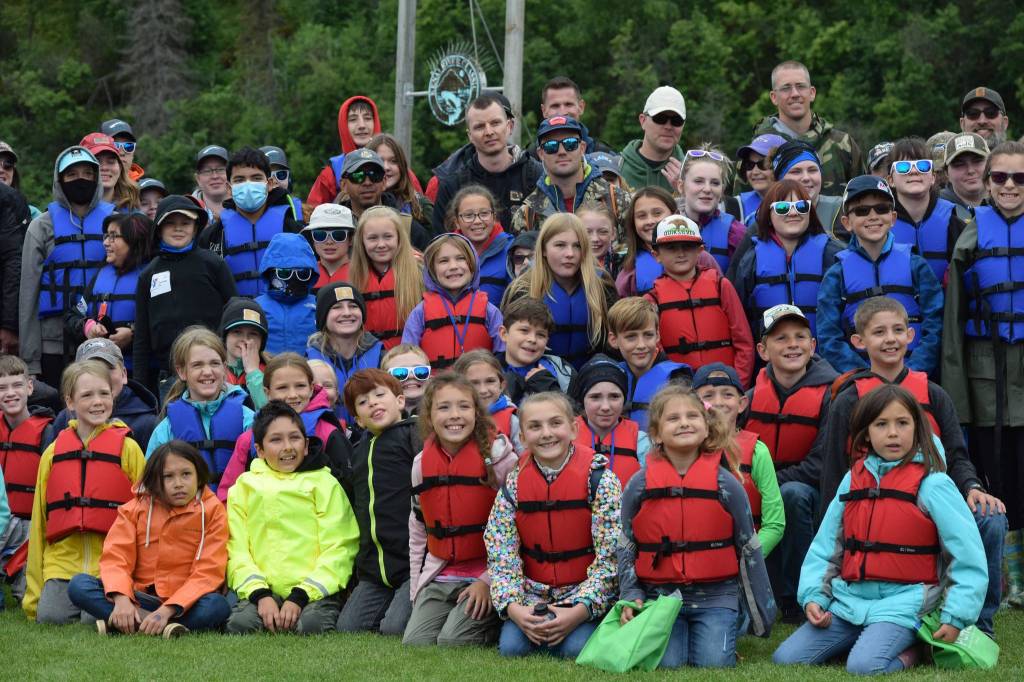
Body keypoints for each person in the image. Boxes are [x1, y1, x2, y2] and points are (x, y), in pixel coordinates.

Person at [773, 385, 986, 675]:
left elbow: (967, 556)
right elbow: (825, 546)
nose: (893, 433)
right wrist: (814, 596)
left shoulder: (934, 485)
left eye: (902, 423)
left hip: (907, 603)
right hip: (850, 601)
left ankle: (916, 649)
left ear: (917, 427)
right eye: (881, 424)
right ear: (866, 433)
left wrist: (955, 615)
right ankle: (866, 638)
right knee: (786, 659)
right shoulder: (852, 480)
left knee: (864, 666)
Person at [824, 297, 1006, 635]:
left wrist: (973, 488)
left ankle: (978, 623)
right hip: (876, 507)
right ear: (859, 342)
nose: (890, 339)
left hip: (931, 501)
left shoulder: (934, 394)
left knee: (991, 518)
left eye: (897, 330)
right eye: (879, 332)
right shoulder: (848, 398)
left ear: (911, 335)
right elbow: (835, 469)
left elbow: (956, 455)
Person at [618, 385, 774, 668]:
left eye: (692, 416)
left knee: (714, 663)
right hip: (662, 596)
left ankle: (728, 625)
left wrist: (761, 613)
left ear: (706, 429)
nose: (684, 423)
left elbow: (748, 546)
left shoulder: (726, 484)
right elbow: (626, 543)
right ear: (655, 434)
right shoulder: (639, 484)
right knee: (668, 665)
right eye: (673, 418)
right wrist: (631, 594)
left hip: (717, 596)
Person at [942, 141, 1024, 610]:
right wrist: (959, 396)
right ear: (988, 182)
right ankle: (1011, 580)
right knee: (999, 475)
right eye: (1000, 178)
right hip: (985, 378)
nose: (1009, 186)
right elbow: (954, 326)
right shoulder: (970, 240)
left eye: (1019, 178)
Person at [485, 391, 621, 658]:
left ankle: (586, 622)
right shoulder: (514, 485)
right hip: (532, 594)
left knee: (573, 649)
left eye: (555, 423)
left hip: (584, 592)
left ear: (573, 429)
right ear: (522, 438)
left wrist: (580, 610)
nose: (546, 433)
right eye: (535, 426)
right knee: (512, 649)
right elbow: (501, 553)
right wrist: (515, 608)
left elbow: (611, 558)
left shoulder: (600, 481)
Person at [23, 360, 145, 623]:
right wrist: (33, 597)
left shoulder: (129, 449)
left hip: (111, 564)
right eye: (87, 395)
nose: (97, 401)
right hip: (62, 564)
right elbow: (39, 525)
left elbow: (147, 516)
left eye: (103, 393)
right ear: (70, 402)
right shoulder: (53, 454)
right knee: (50, 617)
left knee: (93, 619)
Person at [67, 441, 231, 636]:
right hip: (139, 597)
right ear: (155, 480)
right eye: (168, 477)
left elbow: (208, 571)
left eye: (186, 474)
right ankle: (160, 627)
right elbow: (116, 558)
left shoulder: (213, 511)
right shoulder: (135, 508)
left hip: (184, 604)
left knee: (217, 605)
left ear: (198, 475)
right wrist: (122, 600)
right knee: (79, 585)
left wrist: (166, 610)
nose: (178, 483)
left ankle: (131, 624)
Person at [226, 401, 359, 634]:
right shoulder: (244, 487)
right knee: (241, 625)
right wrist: (260, 594)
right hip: (264, 589)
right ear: (260, 449)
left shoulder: (325, 483)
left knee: (311, 626)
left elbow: (341, 545)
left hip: (312, 590)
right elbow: (236, 548)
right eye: (276, 440)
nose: (287, 447)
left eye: (294, 438)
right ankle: (267, 608)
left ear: (306, 445)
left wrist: (301, 595)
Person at [403, 373, 516, 646]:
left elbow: (520, 527)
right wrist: (417, 586)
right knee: (415, 642)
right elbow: (418, 528)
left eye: (464, 407)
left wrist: (489, 581)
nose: (455, 415)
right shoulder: (421, 464)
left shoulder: (501, 459)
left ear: (477, 413)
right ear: (428, 417)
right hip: (441, 573)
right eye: (444, 407)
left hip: (488, 574)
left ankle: (497, 621)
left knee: (452, 641)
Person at [742, 304, 838, 621]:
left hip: (813, 497)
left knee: (792, 494)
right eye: (781, 338)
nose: (792, 344)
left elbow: (821, 465)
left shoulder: (834, 394)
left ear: (813, 346)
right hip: (762, 491)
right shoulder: (750, 397)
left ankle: (800, 596)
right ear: (763, 350)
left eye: (800, 337)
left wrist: (766, 484)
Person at [816, 176, 942, 375]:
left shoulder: (916, 265)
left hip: (913, 376)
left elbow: (935, 324)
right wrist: (863, 375)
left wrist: (913, 371)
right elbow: (829, 336)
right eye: (862, 211)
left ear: (893, 218)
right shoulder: (836, 274)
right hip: (860, 382)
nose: (873, 216)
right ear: (847, 222)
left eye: (881, 209)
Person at [19, 146, 113, 387]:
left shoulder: (116, 222)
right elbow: (28, 295)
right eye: (71, 175)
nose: (80, 180)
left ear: (96, 178)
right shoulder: (41, 227)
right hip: (53, 342)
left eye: (87, 173)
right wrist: (30, 362)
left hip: (105, 337)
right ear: (59, 180)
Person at [336, 369, 420, 635]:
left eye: (379, 394)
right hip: (374, 569)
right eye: (362, 402)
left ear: (400, 401)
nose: (372, 402)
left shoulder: (413, 435)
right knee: (349, 628)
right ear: (358, 420)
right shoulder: (359, 450)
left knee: (394, 629)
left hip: (411, 564)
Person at [132, 195, 237, 395]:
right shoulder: (148, 274)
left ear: (196, 227)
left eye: (185, 223)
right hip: (169, 376)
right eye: (170, 223)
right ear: (159, 228)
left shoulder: (214, 264)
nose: (178, 228)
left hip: (214, 371)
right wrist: (140, 386)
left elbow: (233, 313)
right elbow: (142, 337)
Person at [216, 352, 353, 503]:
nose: (292, 395)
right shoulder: (249, 439)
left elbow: (349, 489)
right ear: (267, 393)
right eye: (282, 388)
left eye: (300, 386)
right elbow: (228, 495)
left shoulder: (328, 433)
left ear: (311, 388)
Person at [644, 215, 754, 386]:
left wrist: (737, 386)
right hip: (679, 391)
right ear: (656, 255)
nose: (680, 253)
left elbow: (744, 342)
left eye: (688, 247)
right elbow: (654, 352)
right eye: (671, 248)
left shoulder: (721, 286)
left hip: (724, 386)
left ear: (700, 250)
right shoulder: (652, 299)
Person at [145, 328, 254, 495]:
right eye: (197, 365)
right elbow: (150, 484)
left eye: (214, 363)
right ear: (182, 372)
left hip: (239, 513)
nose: (207, 372)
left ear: (224, 368)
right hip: (188, 515)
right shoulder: (166, 429)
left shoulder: (248, 419)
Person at [730, 179, 842, 338]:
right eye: (782, 207)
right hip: (769, 358)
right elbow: (739, 318)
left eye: (801, 206)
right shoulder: (751, 259)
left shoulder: (832, 255)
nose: (793, 212)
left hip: (824, 358)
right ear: (768, 214)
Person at [503, 214, 615, 370]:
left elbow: (615, 345)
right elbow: (510, 349)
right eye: (560, 245)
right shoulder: (522, 289)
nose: (570, 253)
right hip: (539, 381)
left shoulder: (602, 286)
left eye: (577, 246)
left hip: (590, 381)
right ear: (543, 250)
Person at [693, 363, 784, 554]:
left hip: (745, 558)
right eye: (708, 395)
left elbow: (774, 524)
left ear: (742, 404)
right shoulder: (683, 448)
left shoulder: (758, 451)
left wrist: (745, 558)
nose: (718, 402)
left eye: (727, 394)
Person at [199, 146, 303, 297]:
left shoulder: (293, 230)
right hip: (235, 316)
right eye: (239, 179)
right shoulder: (212, 236)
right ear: (229, 187)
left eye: (256, 178)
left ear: (269, 184)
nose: (248, 185)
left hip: (280, 315)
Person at [432, 94, 543, 232]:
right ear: (470, 136)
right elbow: (441, 244)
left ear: (510, 126)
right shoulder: (452, 187)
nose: (489, 132)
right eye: (479, 127)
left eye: (495, 123)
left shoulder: (537, 177)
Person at [753, 60, 862, 195]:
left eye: (801, 86)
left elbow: (863, 198)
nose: (795, 94)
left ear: (812, 93)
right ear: (774, 97)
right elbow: (743, 206)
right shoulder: (758, 149)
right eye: (786, 88)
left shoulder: (842, 144)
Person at [510, 115, 630, 235]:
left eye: (570, 144)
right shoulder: (527, 215)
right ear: (541, 154)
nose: (562, 152)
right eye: (551, 146)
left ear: (582, 148)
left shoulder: (617, 200)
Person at [63, 212, 152, 370]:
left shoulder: (153, 275)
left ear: (134, 240)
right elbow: (72, 317)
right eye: (106, 236)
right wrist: (88, 327)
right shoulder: (100, 275)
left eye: (113, 236)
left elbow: (164, 324)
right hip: (100, 370)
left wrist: (133, 333)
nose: (105, 242)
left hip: (142, 371)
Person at [401, 233, 503, 369]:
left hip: (478, 387)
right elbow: (406, 356)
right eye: (443, 261)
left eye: (461, 259)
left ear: (473, 265)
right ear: (431, 269)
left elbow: (503, 352)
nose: (453, 266)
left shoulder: (490, 311)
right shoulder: (420, 313)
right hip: (434, 387)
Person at [0, 355, 54, 603]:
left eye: (17, 385)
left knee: (28, 597)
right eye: (2, 388)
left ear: (29, 387)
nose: (10, 393)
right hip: (1, 522)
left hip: (29, 527)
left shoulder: (46, 431)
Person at [49, 339, 159, 452]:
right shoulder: (64, 419)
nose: (102, 376)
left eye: (109, 368)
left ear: (124, 374)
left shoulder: (148, 424)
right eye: (92, 369)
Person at [606, 296, 692, 431]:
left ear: (657, 335)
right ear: (613, 340)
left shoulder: (677, 379)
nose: (641, 345)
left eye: (648, 335)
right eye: (631, 337)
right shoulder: (610, 377)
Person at [887, 137, 965, 283]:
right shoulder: (880, 224)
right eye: (903, 167)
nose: (914, 171)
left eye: (923, 166)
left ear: (933, 177)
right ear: (890, 180)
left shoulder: (953, 224)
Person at [306, 282, 383, 425]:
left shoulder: (381, 355)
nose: (347, 313)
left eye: (353, 306)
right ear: (323, 316)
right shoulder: (307, 361)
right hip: (328, 439)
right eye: (336, 307)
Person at [348, 206, 424, 351]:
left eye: (388, 237)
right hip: (367, 356)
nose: (381, 244)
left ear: (399, 238)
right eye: (372, 238)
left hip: (408, 357)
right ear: (361, 242)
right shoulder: (352, 276)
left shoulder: (420, 271)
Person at [570, 355, 650, 488]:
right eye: (595, 397)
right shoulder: (565, 438)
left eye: (614, 397)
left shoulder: (641, 442)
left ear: (624, 399)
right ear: (582, 400)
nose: (605, 407)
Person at [334, 149, 430, 251]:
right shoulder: (332, 228)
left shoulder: (407, 227)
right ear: (343, 185)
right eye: (358, 176)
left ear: (384, 182)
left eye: (375, 175)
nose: (367, 182)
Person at [674, 146, 746, 272]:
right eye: (698, 181)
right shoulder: (663, 227)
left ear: (722, 190)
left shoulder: (736, 233)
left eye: (715, 183)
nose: (707, 189)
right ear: (681, 186)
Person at [307, 96, 387, 208]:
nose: (362, 126)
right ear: (343, 125)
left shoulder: (393, 165)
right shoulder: (331, 173)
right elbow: (311, 213)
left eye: (368, 118)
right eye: (353, 120)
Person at [495, 297, 575, 404]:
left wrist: (549, 388)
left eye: (541, 335)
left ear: (547, 340)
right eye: (524, 330)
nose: (532, 339)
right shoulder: (487, 371)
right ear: (504, 334)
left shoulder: (563, 372)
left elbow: (576, 415)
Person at [252, 233, 317, 355]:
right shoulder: (256, 307)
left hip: (309, 371)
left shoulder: (318, 306)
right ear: (269, 272)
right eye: (284, 273)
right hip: (267, 371)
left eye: (302, 274)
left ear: (311, 274)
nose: (293, 279)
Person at [448, 185, 512, 304]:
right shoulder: (443, 253)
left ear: (494, 217)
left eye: (484, 214)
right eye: (468, 215)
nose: (477, 221)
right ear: (457, 222)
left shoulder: (512, 250)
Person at [526, 76, 615, 160]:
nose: (562, 112)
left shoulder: (605, 156)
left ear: (581, 107)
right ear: (544, 110)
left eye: (568, 104)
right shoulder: (529, 158)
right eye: (555, 106)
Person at [619, 85, 686, 193]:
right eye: (660, 118)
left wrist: (685, 190)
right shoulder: (616, 169)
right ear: (643, 121)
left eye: (676, 121)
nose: (668, 126)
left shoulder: (693, 175)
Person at [452, 350, 522, 452]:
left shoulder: (513, 421)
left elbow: (525, 458)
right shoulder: (450, 419)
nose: (483, 390)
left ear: (501, 386)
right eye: (473, 383)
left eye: (490, 381)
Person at [367, 133, 434, 231]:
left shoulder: (421, 207)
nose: (386, 167)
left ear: (402, 166)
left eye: (393, 161)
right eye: (379, 161)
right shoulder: (352, 203)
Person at [0, 169, 30, 357]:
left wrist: (9, 325)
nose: (3, 168)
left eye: (8, 164)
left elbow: (14, 261)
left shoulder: (9, 200)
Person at [218, 297, 269, 408]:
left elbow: (271, 413)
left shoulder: (273, 371)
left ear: (262, 341)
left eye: (253, 334)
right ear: (225, 337)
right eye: (237, 332)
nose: (245, 339)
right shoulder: (211, 369)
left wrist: (253, 372)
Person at [733, 134, 787, 225]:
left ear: (783, 166)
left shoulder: (801, 205)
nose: (755, 172)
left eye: (763, 164)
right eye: (749, 164)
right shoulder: (737, 205)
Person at [80, 133, 139, 213]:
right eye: (97, 161)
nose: (104, 168)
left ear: (120, 168)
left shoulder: (134, 217)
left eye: (111, 162)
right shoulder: (65, 213)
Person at [306, 204, 355, 292]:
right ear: (313, 239)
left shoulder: (363, 274)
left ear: (350, 239)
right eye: (320, 235)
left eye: (338, 235)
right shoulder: (304, 276)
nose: (329, 242)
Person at [940, 132, 990, 216]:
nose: (970, 170)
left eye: (977, 161)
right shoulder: (933, 209)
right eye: (959, 165)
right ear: (946, 173)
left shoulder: (1009, 203)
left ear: (990, 164)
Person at [381, 344, 431, 419]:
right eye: (399, 373)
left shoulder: (443, 415)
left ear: (430, 377)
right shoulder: (380, 419)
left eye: (420, 371)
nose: (411, 376)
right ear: (385, 381)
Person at [260, 145, 304, 223]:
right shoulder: (244, 213)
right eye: (268, 174)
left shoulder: (305, 213)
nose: (274, 181)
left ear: (289, 179)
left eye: (281, 174)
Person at [577, 202, 621, 279]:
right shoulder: (567, 267)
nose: (595, 239)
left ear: (613, 233)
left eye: (603, 232)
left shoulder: (625, 267)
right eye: (587, 232)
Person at [191, 145, 230, 221]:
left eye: (220, 169)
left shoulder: (247, 209)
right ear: (198, 179)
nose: (215, 176)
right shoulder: (186, 212)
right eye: (207, 171)